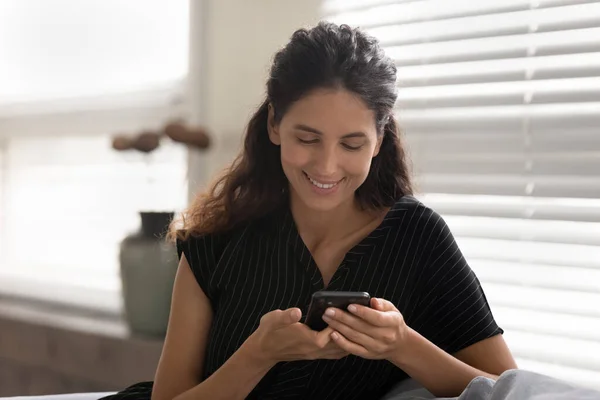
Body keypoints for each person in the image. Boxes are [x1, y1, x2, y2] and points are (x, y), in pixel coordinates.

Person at [104, 22, 517, 400]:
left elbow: (507, 390)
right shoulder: (216, 237)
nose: (326, 166)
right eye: (307, 138)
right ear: (274, 125)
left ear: (378, 140)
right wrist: (257, 356)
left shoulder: (417, 237)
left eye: (352, 144)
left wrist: (402, 345)